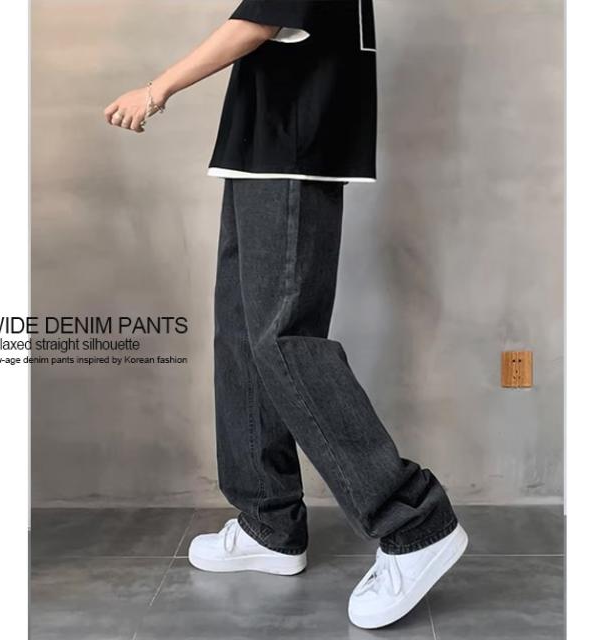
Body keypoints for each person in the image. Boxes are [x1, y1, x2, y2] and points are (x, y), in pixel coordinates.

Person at [104, 0, 467, 629]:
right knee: (243, 335)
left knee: (282, 340)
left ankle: (415, 522)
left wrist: (156, 89)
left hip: (293, 149)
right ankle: (268, 523)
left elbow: (257, 22)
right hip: (264, 148)